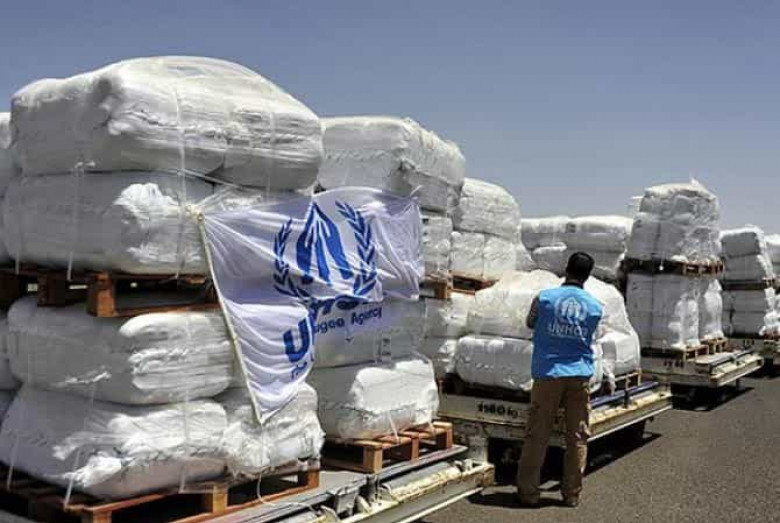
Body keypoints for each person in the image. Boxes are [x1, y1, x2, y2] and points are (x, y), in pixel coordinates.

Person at [517, 252, 603, 508]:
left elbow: (530, 323)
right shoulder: (595, 307)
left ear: (566, 269)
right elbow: (591, 334)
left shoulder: (544, 298)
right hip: (579, 375)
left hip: (549, 374)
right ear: (588, 276)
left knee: (538, 434)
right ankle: (571, 494)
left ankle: (529, 493)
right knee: (577, 437)